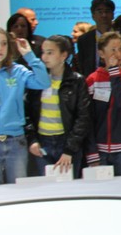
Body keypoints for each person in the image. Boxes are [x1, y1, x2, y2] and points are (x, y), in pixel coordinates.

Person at [0, 27, 51, 185]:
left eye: (4, 43)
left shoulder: (18, 71)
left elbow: (43, 82)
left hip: (16, 142)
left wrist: (29, 55)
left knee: (18, 191)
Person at [25, 35, 91, 179]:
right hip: (42, 143)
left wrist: (70, 149)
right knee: (46, 187)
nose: (44, 57)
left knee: (69, 187)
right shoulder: (37, 81)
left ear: (63, 55)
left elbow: (83, 117)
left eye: (50, 52)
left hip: (66, 142)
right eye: (43, 52)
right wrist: (32, 140)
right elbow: (28, 112)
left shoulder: (76, 81)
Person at [84, 31, 121, 176]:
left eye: (120, 49)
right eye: (113, 50)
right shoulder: (92, 79)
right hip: (99, 149)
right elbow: (88, 118)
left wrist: (114, 73)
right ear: (101, 53)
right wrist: (91, 152)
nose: (118, 54)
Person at [75, 0, 121, 77]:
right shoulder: (84, 40)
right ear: (93, 15)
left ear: (113, 15)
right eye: (100, 11)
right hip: (94, 82)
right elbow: (83, 67)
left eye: (107, 11)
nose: (104, 15)